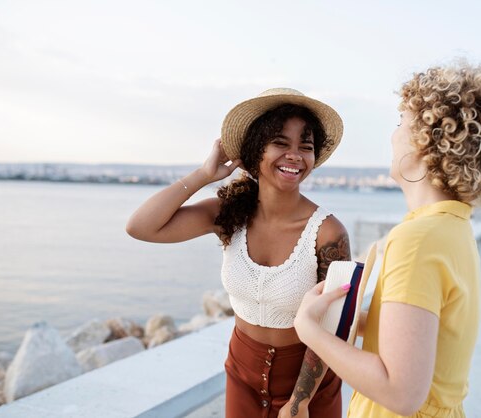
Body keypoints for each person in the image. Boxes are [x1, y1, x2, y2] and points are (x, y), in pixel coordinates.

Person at [293, 61, 481, 417]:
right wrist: (355, 319)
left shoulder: (417, 240)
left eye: (400, 122)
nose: (392, 136)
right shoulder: (452, 228)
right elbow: (427, 338)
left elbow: (401, 392)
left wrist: (310, 330)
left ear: (427, 140)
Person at [126, 88, 351, 418]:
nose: (295, 156)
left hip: (307, 383)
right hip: (242, 371)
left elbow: (334, 326)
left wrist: (300, 400)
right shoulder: (229, 213)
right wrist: (203, 174)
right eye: (280, 143)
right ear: (254, 150)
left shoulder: (328, 232)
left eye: (306, 147)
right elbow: (141, 227)